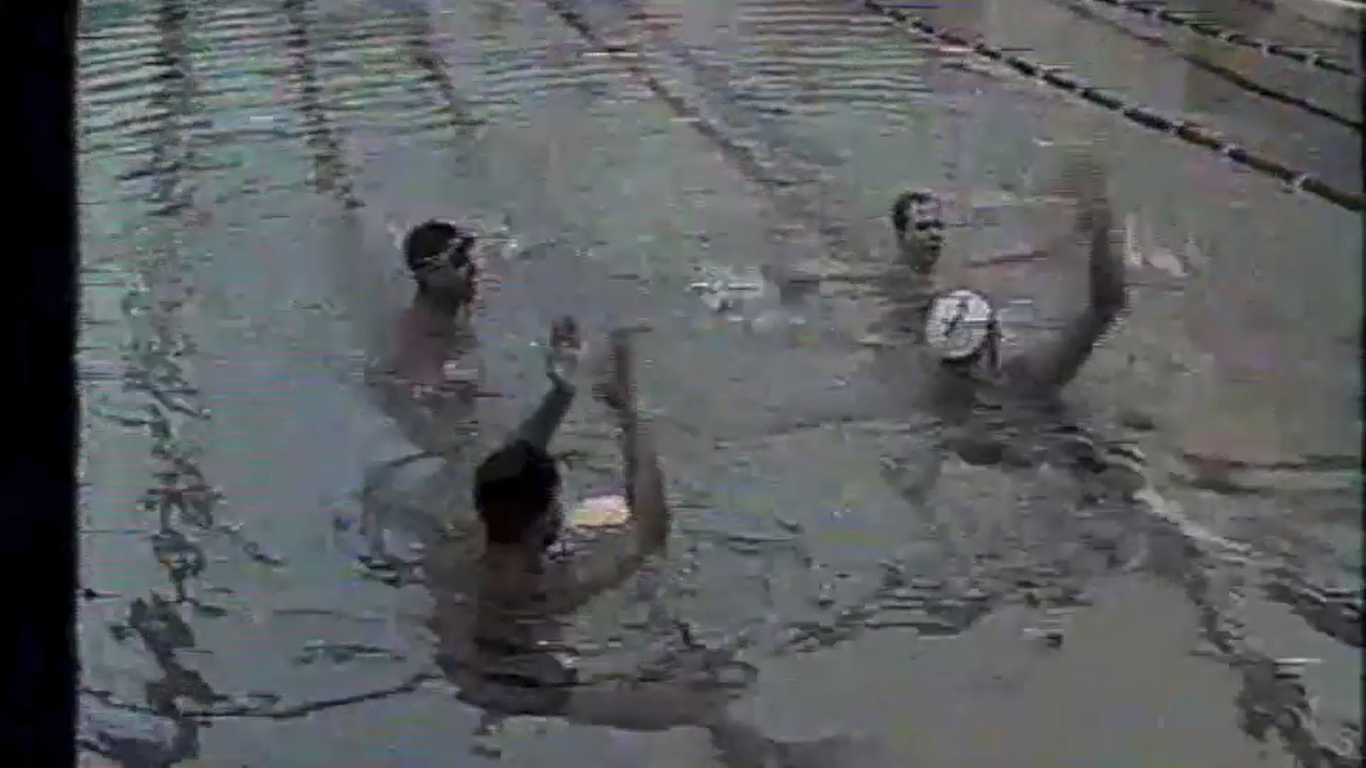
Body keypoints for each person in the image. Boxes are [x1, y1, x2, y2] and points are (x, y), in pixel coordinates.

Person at [426, 321, 864, 767]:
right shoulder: (550, 587)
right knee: (704, 698)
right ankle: (776, 761)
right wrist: (628, 411)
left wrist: (561, 391)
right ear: (543, 517)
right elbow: (651, 531)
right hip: (530, 692)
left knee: (674, 650)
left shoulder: (461, 548)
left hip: (465, 671)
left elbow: (516, 460)